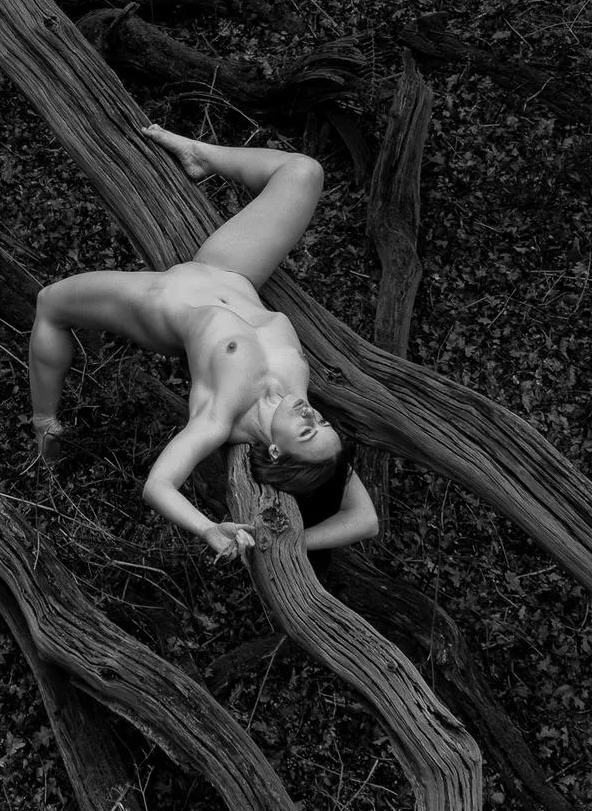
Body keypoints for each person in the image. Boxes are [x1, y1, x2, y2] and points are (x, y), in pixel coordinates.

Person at [29, 124, 379, 563]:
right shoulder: (300, 408)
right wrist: (314, 455)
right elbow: (367, 519)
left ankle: (44, 422)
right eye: (323, 423)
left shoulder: (221, 417)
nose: (313, 415)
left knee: (49, 304)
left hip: (162, 301)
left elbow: (158, 485)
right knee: (304, 170)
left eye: (307, 430)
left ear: (275, 450)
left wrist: (214, 529)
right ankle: (201, 154)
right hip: (232, 272)